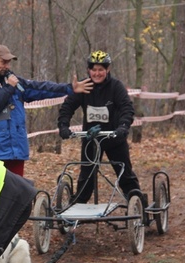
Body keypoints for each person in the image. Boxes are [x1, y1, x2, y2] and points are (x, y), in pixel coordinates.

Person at [0, 44, 93, 176]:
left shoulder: (12, 80)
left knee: (17, 192)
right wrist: (9, 88)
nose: (7, 66)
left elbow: (40, 88)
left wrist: (68, 89)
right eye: (3, 62)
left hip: (16, 150)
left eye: (8, 63)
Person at [57, 50, 141, 203]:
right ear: (89, 70)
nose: (97, 73)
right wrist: (63, 126)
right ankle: (76, 211)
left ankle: (140, 207)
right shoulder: (84, 86)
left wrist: (123, 127)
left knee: (125, 176)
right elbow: (67, 107)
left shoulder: (116, 86)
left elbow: (126, 108)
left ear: (107, 70)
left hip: (114, 138)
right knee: (86, 177)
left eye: (101, 69)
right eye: (94, 69)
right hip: (91, 139)